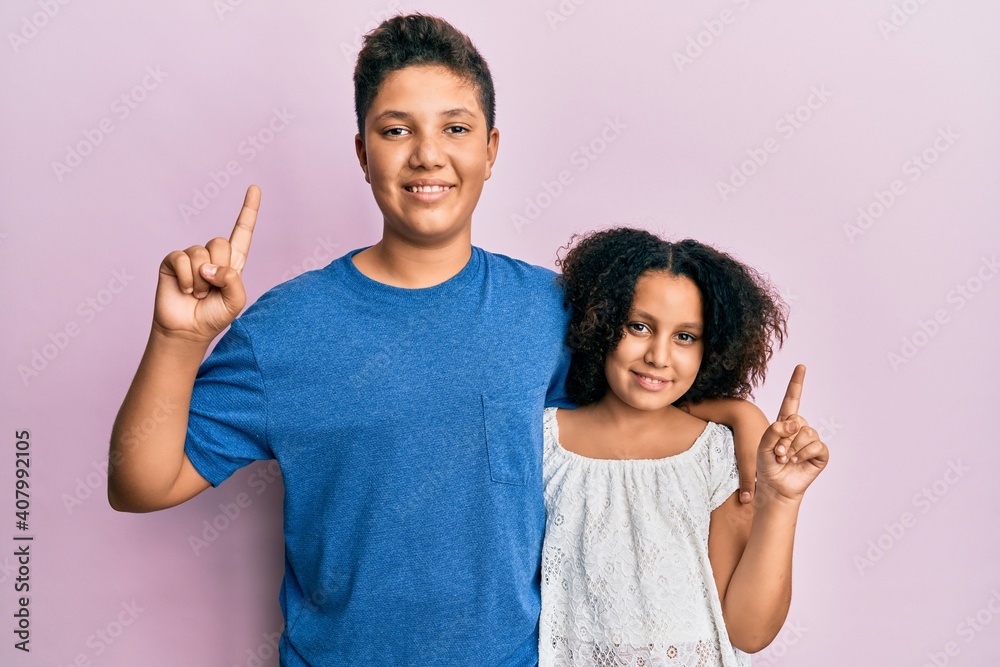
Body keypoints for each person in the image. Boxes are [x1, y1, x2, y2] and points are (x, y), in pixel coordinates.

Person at [107, 14, 766, 666]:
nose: (427, 154)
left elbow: (637, 403)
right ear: (363, 152)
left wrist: (740, 415)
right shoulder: (284, 328)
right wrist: (176, 337)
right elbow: (140, 484)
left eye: (455, 128)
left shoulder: (551, 311)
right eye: (397, 130)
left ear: (491, 149)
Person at [540, 228, 830, 665]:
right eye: (638, 326)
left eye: (685, 337)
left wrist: (781, 500)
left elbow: (748, 632)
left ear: (711, 349)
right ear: (599, 323)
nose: (659, 356)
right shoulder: (544, 443)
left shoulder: (714, 453)